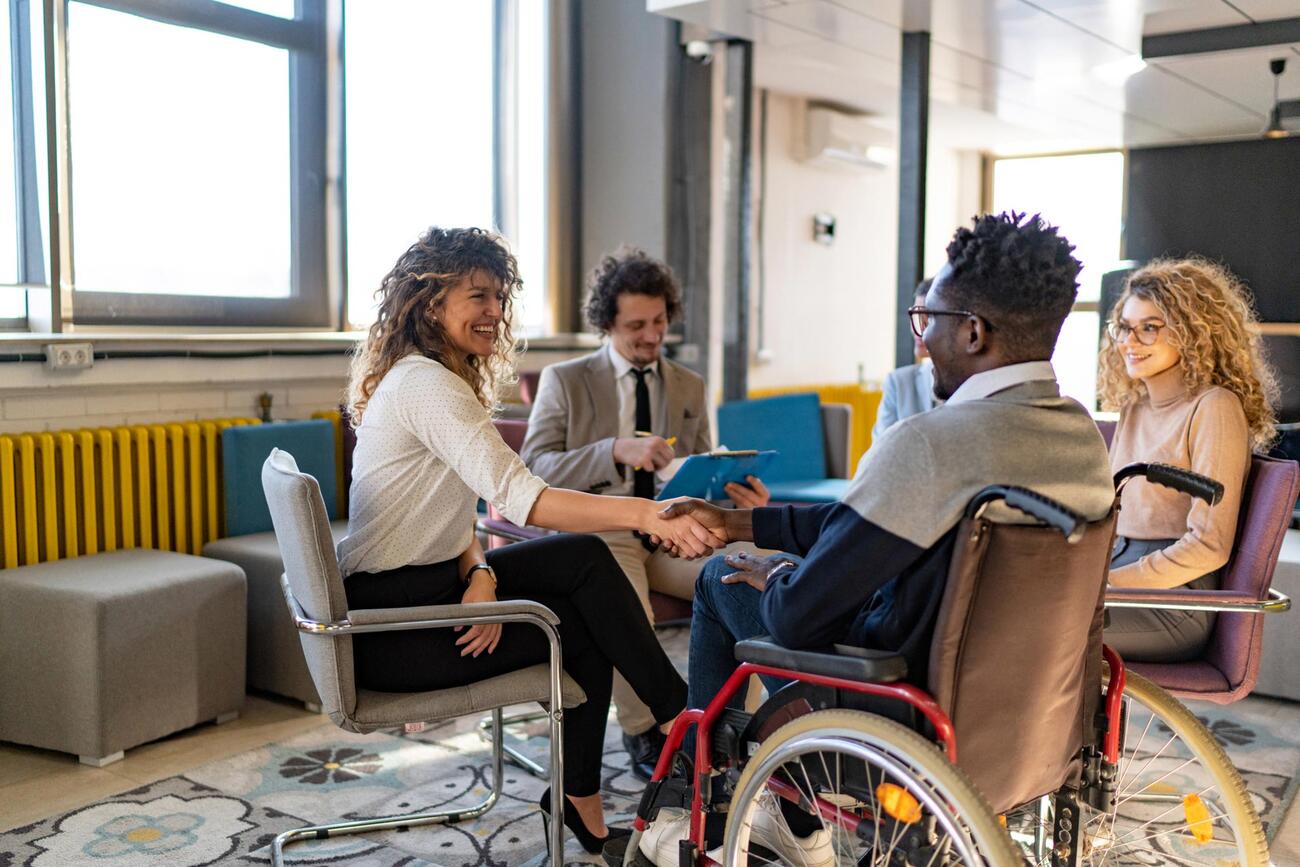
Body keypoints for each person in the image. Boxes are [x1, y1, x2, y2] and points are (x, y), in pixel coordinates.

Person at [637, 212, 1116, 864]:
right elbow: (864, 531)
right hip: (1036, 717)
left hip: (894, 711)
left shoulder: (929, 443)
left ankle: (694, 804)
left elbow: (798, 614)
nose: (922, 339)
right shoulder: (1082, 436)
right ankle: (796, 823)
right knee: (750, 558)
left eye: (929, 319)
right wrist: (743, 521)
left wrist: (768, 571)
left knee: (726, 579)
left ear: (973, 331)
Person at [337, 227, 725, 855]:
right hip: (394, 625)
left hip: (433, 590)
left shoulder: (433, 380)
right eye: (478, 296)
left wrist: (478, 574)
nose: (494, 311)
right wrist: (647, 517)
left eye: (499, 297)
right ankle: (677, 729)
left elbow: (453, 508)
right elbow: (525, 497)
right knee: (579, 625)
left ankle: (658, 738)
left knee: (582, 565)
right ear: (432, 303)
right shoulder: (427, 386)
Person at [521, 245, 772, 780]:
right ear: (606, 322)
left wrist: (737, 502)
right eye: (636, 324)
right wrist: (612, 449)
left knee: (750, 569)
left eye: (659, 321)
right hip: (602, 534)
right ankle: (650, 730)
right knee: (620, 594)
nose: (652, 335)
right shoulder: (565, 380)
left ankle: (730, 721)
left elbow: (703, 468)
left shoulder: (689, 384)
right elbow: (531, 468)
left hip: (671, 533)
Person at [1098, 258, 1278, 663]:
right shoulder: (1135, 406)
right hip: (1121, 583)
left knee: (1039, 630)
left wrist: (1105, 584)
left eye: (1149, 327)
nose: (1129, 341)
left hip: (1174, 605)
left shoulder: (1214, 407)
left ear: (1192, 331)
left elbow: (1209, 547)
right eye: (1125, 327)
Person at [872, 278, 940, 441]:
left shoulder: (974, 385)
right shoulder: (898, 383)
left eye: (929, 319)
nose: (919, 330)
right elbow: (880, 452)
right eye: (916, 316)